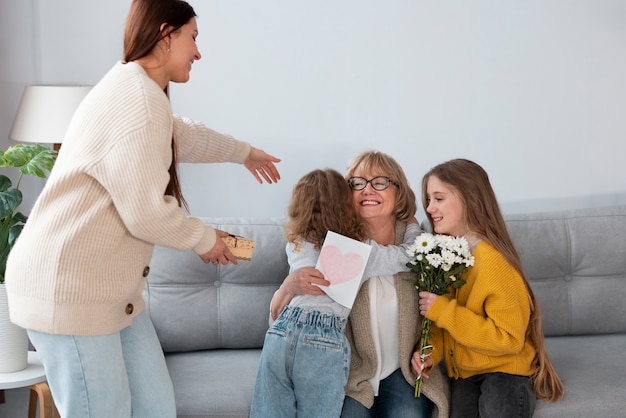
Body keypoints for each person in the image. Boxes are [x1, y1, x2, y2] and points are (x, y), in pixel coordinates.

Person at [5, 1, 281, 417]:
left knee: (155, 407)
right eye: (194, 37)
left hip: (111, 295)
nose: (198, 52)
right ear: (167, 33)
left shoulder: (141, 94)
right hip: (69, 290)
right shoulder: (136, 98)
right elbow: (146, 212)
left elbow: (182, 136)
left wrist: (243, 153)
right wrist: (204, 239)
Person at [271, 151, 450, 418]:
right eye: (357, 183)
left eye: (379, 182)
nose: (368, 190)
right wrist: (287, 287)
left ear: (398, 191)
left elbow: (440, 316)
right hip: (349, 373)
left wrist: (429, 353)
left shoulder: (424, 244)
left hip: (402, 372)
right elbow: (292, 319)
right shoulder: (331, 245)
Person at [412, 158, 564, 418]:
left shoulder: (493, 262)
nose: (429, 208)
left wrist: (445, 311)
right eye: (428, 199)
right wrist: (428, 353)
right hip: (467, 374)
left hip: (505, 370)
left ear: (469, 198)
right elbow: (438, 323)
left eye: (439, 198)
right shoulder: (446, 256)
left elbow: (508, 338)